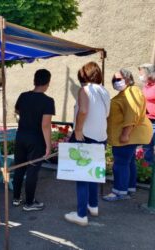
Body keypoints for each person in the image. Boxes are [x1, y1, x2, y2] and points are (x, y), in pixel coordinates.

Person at [64, 62, 110, 226]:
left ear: (83, 76)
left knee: (82, 176)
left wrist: (78, 129)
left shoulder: (85, 90)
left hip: (86, 137)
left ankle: (81, 215)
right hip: (101, 137)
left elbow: (83, 110)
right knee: (93, 174)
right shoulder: (104, 91)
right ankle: (93, 205)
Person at [104, 69, 152, 201]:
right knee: (128, 162)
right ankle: (128, 188)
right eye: (114, 80)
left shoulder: (131, 91)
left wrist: (126, 134)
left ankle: (119, 192)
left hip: (127, 136)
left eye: (119, 79)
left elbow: (132, 113)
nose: (116, 82)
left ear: (128, 78)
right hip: (129, 135)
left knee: (120, 163)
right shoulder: (125, 93)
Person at [12, 69, 55, 211]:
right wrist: (48, 146)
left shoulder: (23, 96)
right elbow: (45, 125)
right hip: (36, 139)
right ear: (47, 83)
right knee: (32, 171)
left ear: (34, 80)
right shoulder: (48, 101)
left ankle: (16, 198)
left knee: (19, 167)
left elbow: (17, 110)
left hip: (21, 136)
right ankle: (29, 203)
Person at [139, 64, 155, 165]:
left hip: (154, 120)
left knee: (150, 144)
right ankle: (147, 168)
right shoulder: (146, 85)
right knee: (146, 145)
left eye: (142, 74)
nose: (140, 76)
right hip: (147, 119)